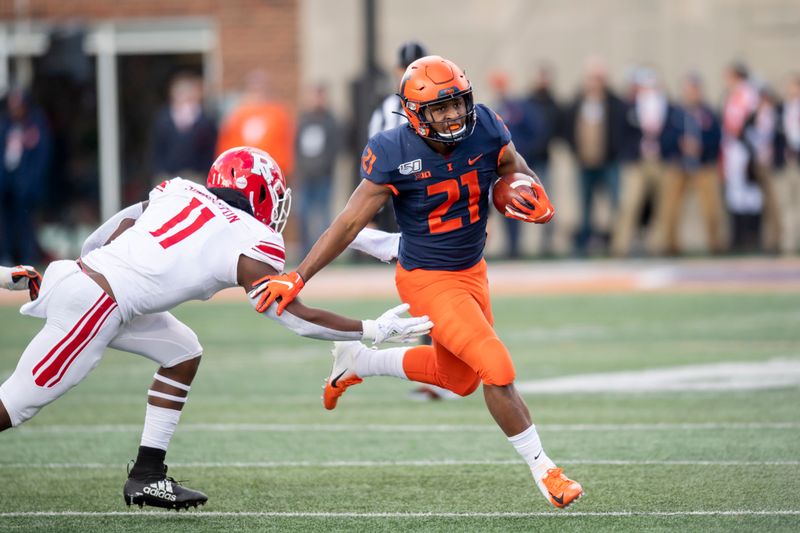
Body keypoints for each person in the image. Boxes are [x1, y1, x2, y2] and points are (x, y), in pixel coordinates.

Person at [0, 146, 432, 510]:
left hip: (92, 286)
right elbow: (292, 315)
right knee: (15, 404)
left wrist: (91, 272)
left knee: (182, 351)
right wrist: (371, 328)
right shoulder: (252, 238)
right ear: (261, 194)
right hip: (97, 306)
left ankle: (147, 474)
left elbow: (110, 231)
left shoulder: (178, 189)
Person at [254, 56, 583, 509]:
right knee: (497, 367)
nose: (452, 115)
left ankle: (358, 363)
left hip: (473, 271)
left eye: (457, 103)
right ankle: (545, 470)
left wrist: (528, 190)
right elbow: (349, 223)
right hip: (427, 279)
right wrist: (298, 274)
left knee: (460, 379)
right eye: (439, 108)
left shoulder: (486, 125)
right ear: (413, 112)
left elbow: (514, 166)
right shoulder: (393, 151)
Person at [660, 73, 724, 255]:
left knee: (711, 208)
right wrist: (680, 143)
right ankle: (669, 246)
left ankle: (715, 245)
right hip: (678, 166)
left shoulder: (708, 113)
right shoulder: (674, 112)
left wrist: (701, 145)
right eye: (689, 89)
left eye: (695, 89)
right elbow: (665, 138)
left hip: (703, 165)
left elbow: (717, 137)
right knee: (670, 209)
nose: (692, 94)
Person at [0, 87, 52, 265]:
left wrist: (30, 183)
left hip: (26, 188)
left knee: (26, 225)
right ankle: (6, 256)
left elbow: (41, 158)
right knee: (5, 225)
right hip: (6, 184)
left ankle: (27, 259)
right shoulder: (5, 126)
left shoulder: (35, 126)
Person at [217, 70, 295, 178]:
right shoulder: (237, 114)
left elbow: (286, 142)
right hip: (242, 171)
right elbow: (227, 142)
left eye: (261, 87)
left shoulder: (279, 113)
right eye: (254, 88)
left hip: (271, 171)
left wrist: (285, 168)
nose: (258, 92)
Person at [294, 83, 339, 255]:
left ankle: (325, 252)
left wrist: (324, 167)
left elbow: (334, 148)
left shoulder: (330, 120)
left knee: (323, 215)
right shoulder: (303, 119)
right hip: (306, 176)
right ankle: (305, 251)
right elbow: (297, 147)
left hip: (323, 176)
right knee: (303, 213)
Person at [149, 73, 217, 185]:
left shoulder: (205, 119)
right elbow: (157, 148)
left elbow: (210, 149)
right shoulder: (163, 118)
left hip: (194, 176)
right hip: (167, 175)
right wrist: (159, 171)